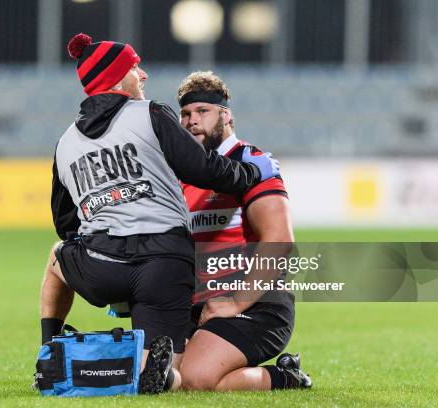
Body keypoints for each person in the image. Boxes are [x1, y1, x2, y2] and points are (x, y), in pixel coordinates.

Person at [39, 34, 280, 394]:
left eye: (202, 112)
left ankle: (49, 351)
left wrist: (103, 231)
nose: (144, 74)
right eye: (135, 68)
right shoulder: (149, 114)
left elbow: (64, 224)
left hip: (103, 263)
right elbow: (201, 168)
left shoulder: (65, 143)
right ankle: (157, 370)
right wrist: (249, 173)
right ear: (118, 78)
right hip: (164, 265)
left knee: (58, 256)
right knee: (165, 373)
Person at [175, 71, 312, 391]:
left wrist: (237, 302)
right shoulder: (182, 174)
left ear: (226, 116)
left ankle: (284, 377)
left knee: (194, 379)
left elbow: (279, 239)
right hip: (201, 307)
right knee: (163, 378)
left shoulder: (251, 163)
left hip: (257, 305)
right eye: (185, 113)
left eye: (202, 112)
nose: (192, 120)